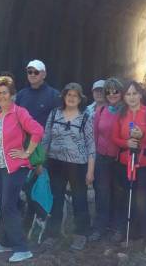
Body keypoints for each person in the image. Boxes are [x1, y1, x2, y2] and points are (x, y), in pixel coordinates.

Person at [0, 76, 43, 263]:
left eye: (4, 93)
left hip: (14, 168)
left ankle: (22, 248)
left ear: (12, 94)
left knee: (8, 206)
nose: (1, 96)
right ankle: (7, 241)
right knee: (7, 205)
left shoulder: (19, 112)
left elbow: (38, 130)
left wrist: (27, 152)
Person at [40, 82, 95, 251]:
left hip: (77, 164)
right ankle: (53, 234)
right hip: (56, 162)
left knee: (79, 199)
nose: (71, 98)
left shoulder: (86, 117)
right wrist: (41, 162)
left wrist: (90, 171)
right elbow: (46, 139)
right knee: (56, 199)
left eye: (75, 96)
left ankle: (81, 234)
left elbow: (91, 145)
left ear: (80, 99)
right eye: (69, 95)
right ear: (64, 97)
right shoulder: (55, 114)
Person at [111, 81, 146, 254]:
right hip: (126, 161)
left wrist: (144, 136)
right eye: (128, 94)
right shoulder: (121, 115)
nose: (131, 97)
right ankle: (133, 234)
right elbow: (115, 137)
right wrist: (125, 142)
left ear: (140, 95)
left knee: (142, 198)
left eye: (134, 94)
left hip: (145, 162)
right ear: (124, 97)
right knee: (129, 197)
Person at [90, 78, 124, 242]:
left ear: (121, 93)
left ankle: (117, 227)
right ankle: (100, 226)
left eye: (115, 91)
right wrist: (94, 158)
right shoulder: (101, 111)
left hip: (120, 157)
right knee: (102, 192)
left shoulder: (126, 110)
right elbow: (95, 135)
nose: (112, 94)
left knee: (118, 192)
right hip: (102, 157)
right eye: (108, 92)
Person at [15, 60, 62, 127]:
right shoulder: (21, 94)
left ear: (44, 75)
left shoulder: (54, 95)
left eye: (36, 72)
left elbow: (58, 121)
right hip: (22, 136)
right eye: (30, 72)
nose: (32, 75)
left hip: (44, 136)